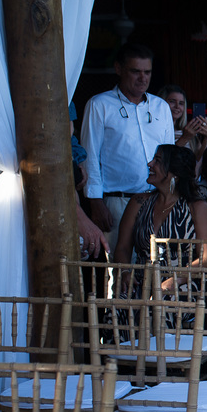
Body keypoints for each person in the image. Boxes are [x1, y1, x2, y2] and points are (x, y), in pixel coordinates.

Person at [80, 43, 174, 254]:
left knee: (157, 265)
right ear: (119, 69)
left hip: (156, 200)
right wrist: (96, 203)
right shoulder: (99, 105)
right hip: (117, 201)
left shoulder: (161, 107)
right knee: (120, 266)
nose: (142, 78)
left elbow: (170, 156)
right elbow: (89, 156)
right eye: (135, 71)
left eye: (147, 72)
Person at [112, 145, 207, 297]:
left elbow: (206, 258)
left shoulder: (196, 207)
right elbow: (122, 247)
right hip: (142, 281)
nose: (150, 164)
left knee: (166, 301)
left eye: (158, 161)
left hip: (184, 282)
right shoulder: (138, 202)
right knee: (122, 301)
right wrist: (125, 272)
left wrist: (174, 280)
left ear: (174, 173)